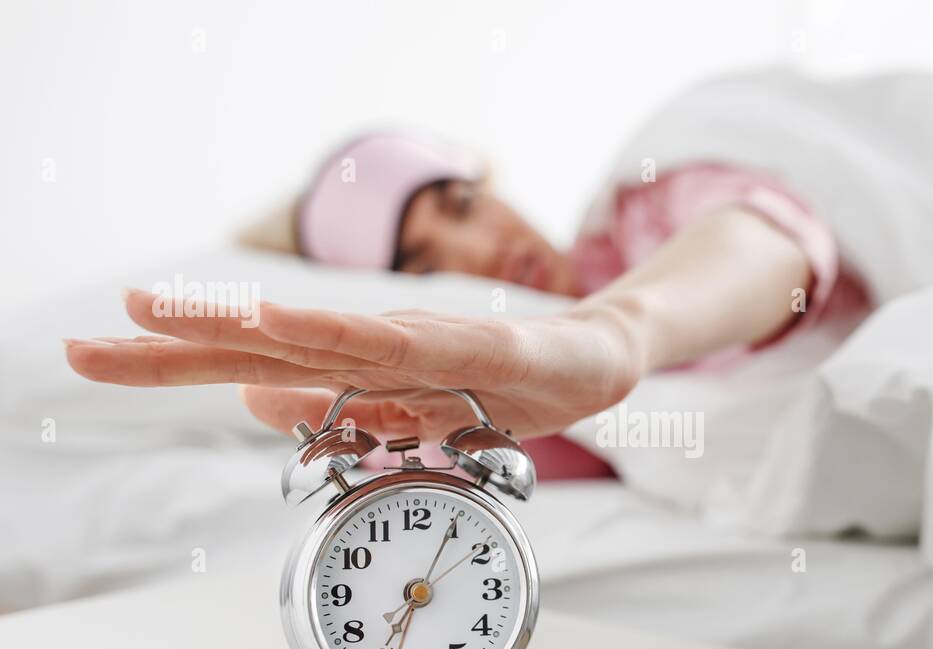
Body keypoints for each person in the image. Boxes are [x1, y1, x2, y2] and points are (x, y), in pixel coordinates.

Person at [64, 131, 871, 476]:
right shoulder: (481, 402)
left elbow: (775, 243)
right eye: (424, 269)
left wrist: (618, 331)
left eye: (459, 208)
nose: (481, 253)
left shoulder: (647, 206)